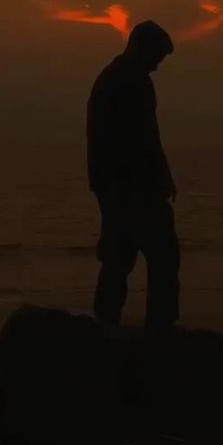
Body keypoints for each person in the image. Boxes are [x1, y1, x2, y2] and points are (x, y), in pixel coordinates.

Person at [86, 20, 179, 333]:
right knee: (161, 257)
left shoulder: (114, 78)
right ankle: (159, 327)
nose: (157, 66)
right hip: (133, 188)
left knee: (118, 261)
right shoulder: (130, 82)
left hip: (117, 186)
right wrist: (159, 177)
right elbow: (144, 138)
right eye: (156, 57)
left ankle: (106, 325)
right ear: (141, 48)